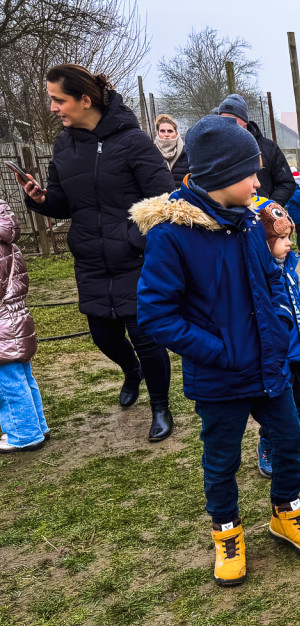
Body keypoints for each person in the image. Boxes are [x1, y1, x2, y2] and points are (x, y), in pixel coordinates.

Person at [132, 115, 300, 586]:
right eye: (250, 174)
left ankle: (287, 514)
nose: (258, 182)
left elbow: (267, 282)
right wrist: (218, 351)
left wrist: (280, 327)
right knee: (221, 460)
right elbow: (156, 315)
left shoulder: (247, 224)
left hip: (268, 365)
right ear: (222, 176)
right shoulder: (172, 235)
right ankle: (227, 534)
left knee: (289, 440)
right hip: (220, 375)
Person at [20, 64, 175, 442]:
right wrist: (42, 200)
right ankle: (131, 372)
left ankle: (160, 406)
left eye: (59, 100)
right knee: (104, 337)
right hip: (90, 259)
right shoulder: (64, 145)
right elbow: (65, 203)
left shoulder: (133, 142)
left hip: (135, 260)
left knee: (147, 339)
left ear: (85, 100)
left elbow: (166, 199)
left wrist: (135, 239)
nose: (54, 108)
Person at [252, 197, 300, 477]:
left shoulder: (289, 269)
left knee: (298, 406)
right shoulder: (260, 276)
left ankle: (292, 448)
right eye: (281, 238)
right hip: (277, 355)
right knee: (279, 409)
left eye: (289, 236)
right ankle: (268, 447)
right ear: (264, 243)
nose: (289, 243)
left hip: (298, 351)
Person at [0, 199, 49, 453]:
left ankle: (23, 434)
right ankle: (37, 426)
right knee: (22, 377)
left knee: (7, 385)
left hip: (3, 325)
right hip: (15, 320)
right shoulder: (7, 241)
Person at [214, 94, 295, 206]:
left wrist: (270, 208)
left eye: (233, 118)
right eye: (223, 118)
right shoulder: (214, 148)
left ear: (244, 120)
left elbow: (286, 183)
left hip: (260, 217)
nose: (228, 123)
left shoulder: (268, 148)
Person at [154, 114, 189, 186]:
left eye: (170, 131)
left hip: (182, 195)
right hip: (158, 196)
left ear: (176, 133)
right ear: (158, 133)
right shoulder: (150, 153)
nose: (166, 134)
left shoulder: (187, 153)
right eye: (162, 131)